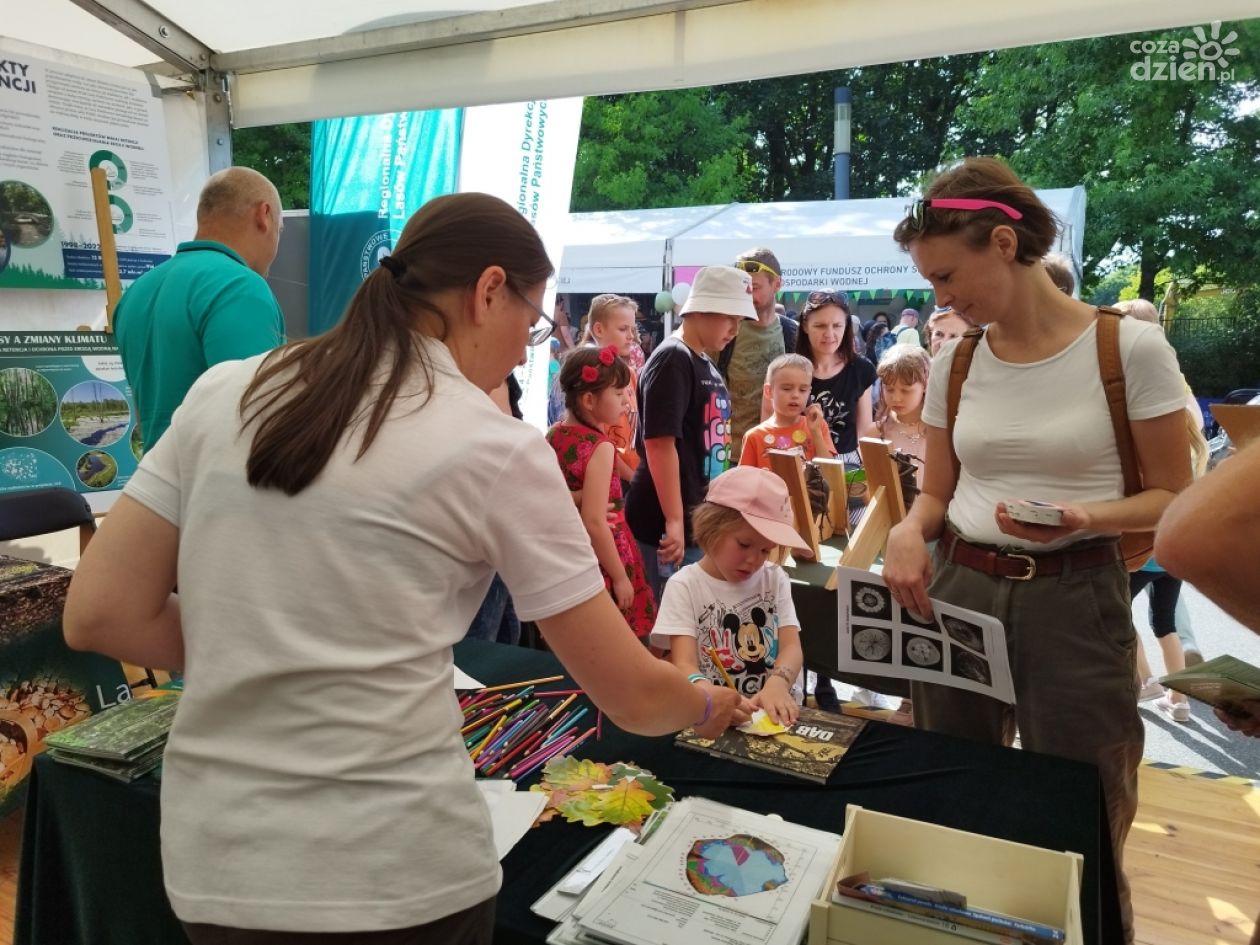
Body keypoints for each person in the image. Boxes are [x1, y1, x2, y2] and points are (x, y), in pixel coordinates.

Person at [63, 193, 748, 945]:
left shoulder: (226, 390)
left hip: (216, 865)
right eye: (531, 323)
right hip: (393, 875)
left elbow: (102, 611)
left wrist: (267, 643)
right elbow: (634, 696)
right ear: (489, 291)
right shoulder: (492, 444)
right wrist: (704, 703)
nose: (522, 352)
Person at [880, 157, 1190, 945]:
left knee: (1080, 807)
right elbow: (935, 493)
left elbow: (1175, 497)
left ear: (1003, 243)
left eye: (947, 276)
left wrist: (1085, 516)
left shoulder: (1128, 349)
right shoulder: (958, 360)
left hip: (1076, 598)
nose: (941, 299)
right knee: (953, 789)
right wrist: (909, 530)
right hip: (960, 589)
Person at [114, 166, 285, 450]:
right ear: (263, 215)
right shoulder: (240, 286)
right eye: (280, 230)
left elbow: (146, 415)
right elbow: (257, 417)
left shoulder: (136, 291)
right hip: (219, 473)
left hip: (157, 470)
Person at [625, 265, 754, 602]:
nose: (735, 329)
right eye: (730, 317)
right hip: (663, 521)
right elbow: (658, 443)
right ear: (700, 308)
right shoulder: (673, 357)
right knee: (666, 618)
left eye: (740, 320)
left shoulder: (703, 361)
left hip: (695, 516)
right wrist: (674, 520)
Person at [652, 466, 808, 725]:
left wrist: (778, 683)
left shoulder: (775, 578)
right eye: (744, 544)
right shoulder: (684, 586)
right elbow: (684, 664)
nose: (753, 560)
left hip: (774, 717)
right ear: (711, 527)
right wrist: (708, 695)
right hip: (713, 719)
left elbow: (791, 646)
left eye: (766, 550)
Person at [547, 345, 656, 640]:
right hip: (605, 555)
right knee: (618, 638)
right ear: (589, 400)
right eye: (619, 394)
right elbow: (595, 521)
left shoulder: (556, 433)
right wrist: (620, 577)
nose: (626, 401)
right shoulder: (600, 447)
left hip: (569, 553)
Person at [1131, 408, 1209, 723]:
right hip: (1172, 557)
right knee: (1166, 625)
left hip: (1144, 554)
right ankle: (1178, 701)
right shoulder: (1198, 455)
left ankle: (1147, 681)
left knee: (1117, 615)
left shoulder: (1159, 461)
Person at [715, 248, 799, 446]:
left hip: (781, 450)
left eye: (754, 287)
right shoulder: (725, 333)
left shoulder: (793, 333)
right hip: (732, 452)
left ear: (776, 284)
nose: (747, 294)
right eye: (742, 287)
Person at [795, 290, 877, 464]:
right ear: (805, 326)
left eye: (837, 325)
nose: (829, 334)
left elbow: (864, 432)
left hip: (846, 464)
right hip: (799, 460)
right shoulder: (788, 368)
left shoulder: (861, 369)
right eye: (820, 326)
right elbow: (772, 422)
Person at [739, 354, 835, 470]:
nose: (795, 395)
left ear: (809, 392)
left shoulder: (817, 426)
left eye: (802, 390)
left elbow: (831, 472)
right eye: (787, 388)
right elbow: (744, 478)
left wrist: (816, 433)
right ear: (769, 391)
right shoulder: (754, 436)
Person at [875, 344, 932, 491]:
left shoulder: (940, 431)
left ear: (926, 385)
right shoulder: (877, 432)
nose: (896, 398)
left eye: (906, 390)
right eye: (889, 389)